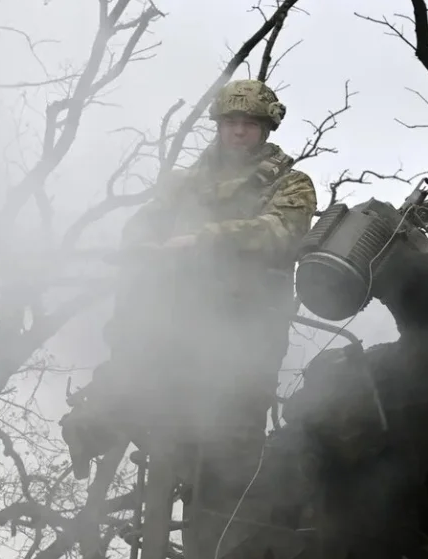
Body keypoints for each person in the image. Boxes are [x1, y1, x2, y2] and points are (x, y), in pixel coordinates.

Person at [60, 79, 318, 518]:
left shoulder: (291, 184)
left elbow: (280, 231)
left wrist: (204, 240)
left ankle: (223, 546)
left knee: (229, 462)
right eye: (231, 122)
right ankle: (101, 420)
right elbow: (140, 231)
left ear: (265, 130)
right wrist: (146, 251)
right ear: (219, 127)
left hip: (245, 341)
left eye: (250, 124)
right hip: (172, 332)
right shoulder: (182, 185)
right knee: (136, 408)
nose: (239, 131)